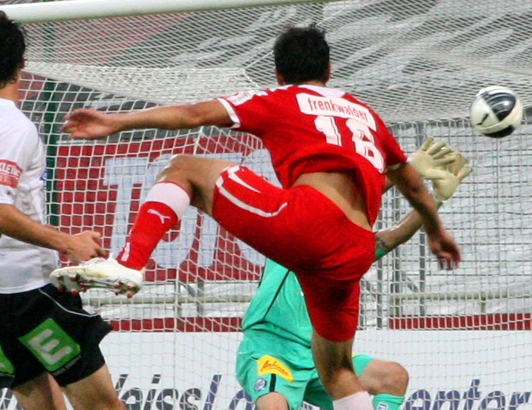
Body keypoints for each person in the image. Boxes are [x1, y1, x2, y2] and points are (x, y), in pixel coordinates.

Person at [52, 24, 461, 410]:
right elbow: (410, 183)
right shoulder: (365, 115)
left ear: (279, 74)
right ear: (330, 69)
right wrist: (436, 231)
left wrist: (117, 121)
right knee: (338, 371)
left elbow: (195, 116)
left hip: (306, 225)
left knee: (185, 169)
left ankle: (130, 262)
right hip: (351, 252)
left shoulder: (281, 99)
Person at [237, 139, 472, 410]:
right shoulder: (292, 234)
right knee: (273, 406)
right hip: (271, 348)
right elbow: (342, 206)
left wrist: (434, 200)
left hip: (319, 356)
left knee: (392, 377)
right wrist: (406, 173)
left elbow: (393, 236)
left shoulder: (346, 253)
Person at [0, 10, 124, 410]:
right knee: (103, 406)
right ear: (23, 62)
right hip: (28, 292)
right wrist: (67, 242)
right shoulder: (14, 127)